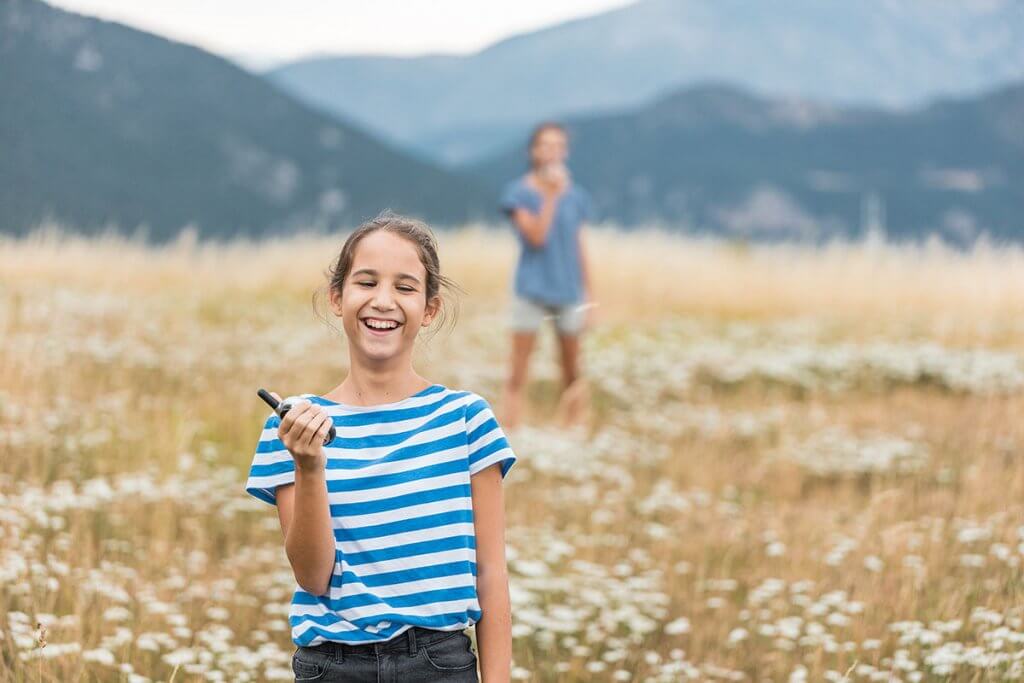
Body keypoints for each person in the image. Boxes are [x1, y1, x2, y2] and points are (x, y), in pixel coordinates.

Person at [245, 211, 516, 682]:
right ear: (337, 297)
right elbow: (312, 576)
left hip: (440, 663)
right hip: (332, 666)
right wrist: (310, 467)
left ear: (429, 309)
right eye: (366, 282)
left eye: (406, 287)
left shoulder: (466, 419)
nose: (383, 301)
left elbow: (490, 575)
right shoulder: (293, 427)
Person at [499, 122, 596, 430]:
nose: (552, 151)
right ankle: (510, 429)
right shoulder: (518, 193)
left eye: (558, 145)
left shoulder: (578, 196)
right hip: (532, 288)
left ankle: (574, 427)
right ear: (534, 151)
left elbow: (578, 245)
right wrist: (552, 197)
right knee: (519, 368)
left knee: (572, 368)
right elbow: (537, 237)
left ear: (565, 152)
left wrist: (591, 294)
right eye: (546, 145)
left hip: (569, 290)